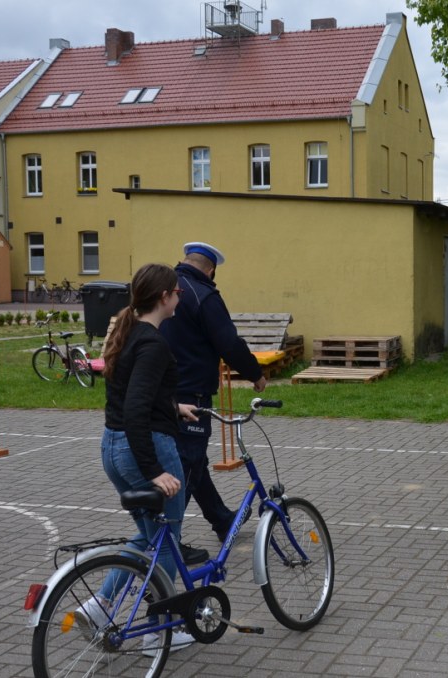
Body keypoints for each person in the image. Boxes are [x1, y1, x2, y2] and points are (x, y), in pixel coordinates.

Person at [75, 262, 196, 652]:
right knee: (168, 539)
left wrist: (173, 406)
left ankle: (101, 605)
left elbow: (132, 393)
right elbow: (136, 409)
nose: (179, 296)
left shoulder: (128, 333)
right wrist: (155, 470)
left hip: (112, 448)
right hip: (143, 447)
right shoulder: (153, 342)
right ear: (164, 297)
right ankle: (159, 630)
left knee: (148, 535)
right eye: (176, 291)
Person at [160, 242, 267, 563]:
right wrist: (255, 374)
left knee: (192, 462)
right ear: (211, 270)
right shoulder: (203, 295)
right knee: (188, 465)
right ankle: (169, 542)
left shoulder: (164, 288)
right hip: (190, 393)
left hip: (160, 393)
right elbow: (228, 343)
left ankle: (221, 519)